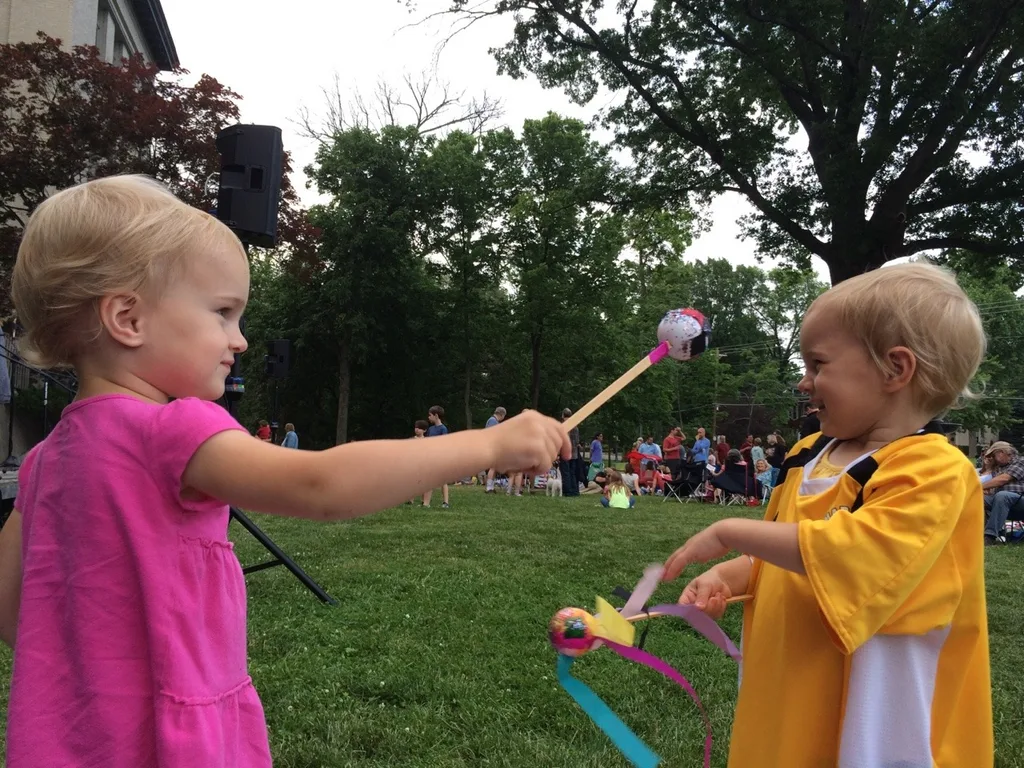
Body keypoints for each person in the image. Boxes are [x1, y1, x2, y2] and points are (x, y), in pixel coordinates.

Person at [0, 175, 571, 768]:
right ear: (128, 318)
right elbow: (321, 485)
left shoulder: (44, 462)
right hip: (172, 740)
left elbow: (10, 604)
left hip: (66, 736)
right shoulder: (172, 430)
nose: (240, 340)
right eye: (222, 313)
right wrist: (487, 445)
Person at [661, 262, 992, 767]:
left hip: (877, 710)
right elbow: (792, 552)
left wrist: (732, 532)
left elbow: (855, 556)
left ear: (894, 370)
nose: (803, 381)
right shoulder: (809, 454)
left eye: (818, 364)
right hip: (790, 688)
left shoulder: (934, 469)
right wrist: (733, 573)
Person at [979, 440, 1024, 545]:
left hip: (1020, 501)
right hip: (1002, 503)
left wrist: (978, 488)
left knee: (1002, 496)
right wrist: (989, 467)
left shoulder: (1020, 462)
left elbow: (1003, 479)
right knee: (976, 497)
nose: (992, 458)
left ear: (1002, 452)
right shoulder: (999, 468)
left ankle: (989, 537)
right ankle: (977, 532)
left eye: (993, 455)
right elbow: (985, 480)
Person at [422, 405, 451, 508]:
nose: (428, 417)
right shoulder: (430, 429)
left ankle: (446, 502)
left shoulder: (443, 429)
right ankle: (426, 503)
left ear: (436, 415)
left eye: (430, 415)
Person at [483, 406, 507, 493]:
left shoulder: (493, 421)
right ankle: (489, 487)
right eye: (504, 416)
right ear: (501, 414)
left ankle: (491, 486)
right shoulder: (493, 421)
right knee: (492, 468)